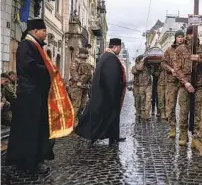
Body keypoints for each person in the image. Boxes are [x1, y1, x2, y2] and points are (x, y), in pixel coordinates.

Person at [6, 19, 73, 173]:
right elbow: (29, 66)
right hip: (31, 96)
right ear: (35, 31)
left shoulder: (34, 45)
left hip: (35, 95)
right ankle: (30, 163)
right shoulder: (26, 45)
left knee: (36, 129)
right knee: (32, 130)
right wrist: (49, 69)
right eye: (43, 30)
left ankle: (31, 161)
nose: (46, 33)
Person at [76, 38, 127, 146]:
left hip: (106, 93)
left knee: (112, 116)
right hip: (108, 94)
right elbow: (111, 78)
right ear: (116, 47)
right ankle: (92, 136)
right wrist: (115, 90)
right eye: (120, 48)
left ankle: (114, 136)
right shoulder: (110, 58)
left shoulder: (107, 56)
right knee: (104, 116)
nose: (120, 51)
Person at [160, 30, 184, 138]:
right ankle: (173, 127)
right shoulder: (169, 50)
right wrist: (171, 70)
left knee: (184, 106)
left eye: (182, 37)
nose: (180, 38)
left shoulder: (187, 49)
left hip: (184, 80)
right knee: (170, 105)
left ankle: (184, 131)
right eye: (178, 37)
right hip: (171, 80)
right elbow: (163, 63)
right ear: (175, 38)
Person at [69, 48, 93, 126]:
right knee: (76, 105)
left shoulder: (86, 63)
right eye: (84, 53)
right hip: (76, 87)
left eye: (86, 54)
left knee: (82, 105)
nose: (86, 55)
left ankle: (78, 121)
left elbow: (89, 74)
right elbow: (73, 72)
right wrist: (79, 81)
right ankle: (73, 124)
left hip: (85, 86)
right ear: (80, 54)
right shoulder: (75, 62)